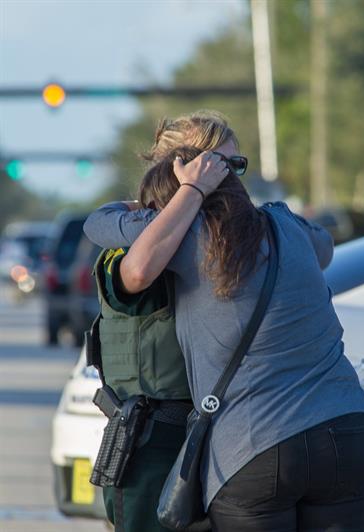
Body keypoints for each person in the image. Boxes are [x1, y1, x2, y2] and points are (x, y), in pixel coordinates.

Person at [84, 138, 364, 530]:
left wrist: (187, 192)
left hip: (257, 447)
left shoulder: (189, 238)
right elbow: (324, 244)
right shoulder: (286, 225)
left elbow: (101, 226)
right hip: (350, 432)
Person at [91, 110, 247, 532]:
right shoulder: (132, 248)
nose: (232, 180)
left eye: (237, 167)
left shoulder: (224, 244)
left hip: (219, 439)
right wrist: (192, 193)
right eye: (220, 167)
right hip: (152, 445)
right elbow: (138, 274)